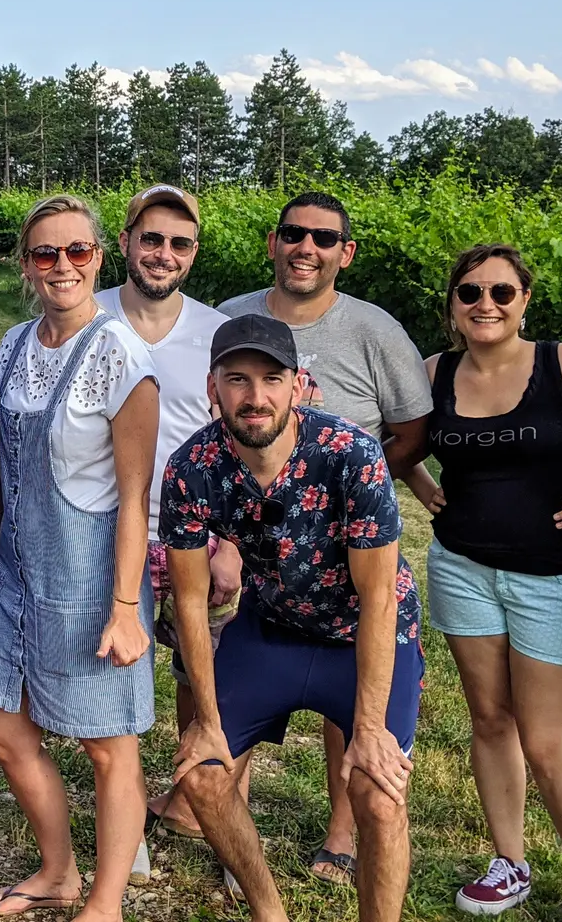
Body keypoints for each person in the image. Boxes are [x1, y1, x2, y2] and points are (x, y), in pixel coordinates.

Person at [402, 245, 562, 920]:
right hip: (464, 569)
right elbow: (390, 441)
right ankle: (508, 861)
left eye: (502, 293)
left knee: (544, 740)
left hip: (554, 580)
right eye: (471, 292)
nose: (486, 304)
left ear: (525, 301)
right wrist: (423, 486)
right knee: (490, 720)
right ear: (452, 302)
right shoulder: (433, 373)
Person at [162, 314, 423, 922]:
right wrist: (204, 718)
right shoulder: (190, 467)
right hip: (272, 625)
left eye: (271, 379)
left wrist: (368, 728)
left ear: (300, 386)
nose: (255, 398)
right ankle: (268, 912)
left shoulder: (349, 454)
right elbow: (192, 601)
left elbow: (379, 596)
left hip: (362, 631)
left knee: (378, 793)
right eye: (237, 380)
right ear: (212, 389)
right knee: (202, 773)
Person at [217, 191, 432, 884]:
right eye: (292, 234)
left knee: (356, 688)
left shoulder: (374, 330)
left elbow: (411, 427)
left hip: (350, 551)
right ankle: (229, 823)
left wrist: (359, 495)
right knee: (228, 680)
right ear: (273, 243)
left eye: (323, 237)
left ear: (346, 252)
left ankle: (343, 834)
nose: (305, 247)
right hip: (260, 550)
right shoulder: (231, 318)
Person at [0, 195, 157, 922]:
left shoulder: (120, 357)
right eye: (46, 254)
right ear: (26, 265)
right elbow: (7, 468)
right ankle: (59, 870)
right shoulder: (14, 344)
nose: (62, 266)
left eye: (77, 252)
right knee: (5, 731)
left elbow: (136, 498)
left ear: (98, 259)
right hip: (19, 572)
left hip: (90, 580)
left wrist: (124, 606)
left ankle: (105, 901)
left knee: (107, 748)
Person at [89, 185, 242, 878]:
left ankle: (190, 791)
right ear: (126, 242)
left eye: (179, 243)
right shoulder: (86, 317)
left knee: (198, 673)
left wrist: (233, 543)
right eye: (151, 239)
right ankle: (126, 823)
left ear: (194, 254)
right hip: (103, 531)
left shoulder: (216, 334)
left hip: (191, 538)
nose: (163, 254)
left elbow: (238, 444)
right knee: (116, 682)